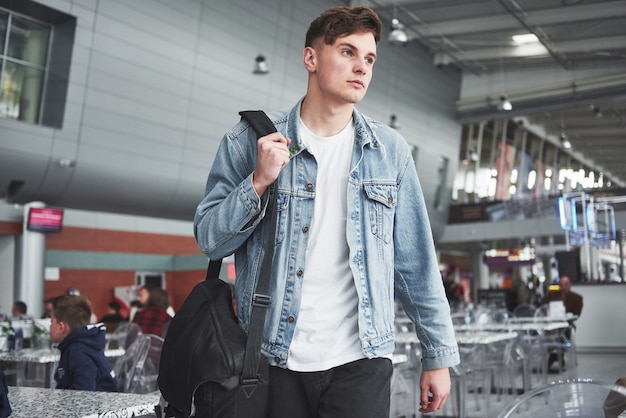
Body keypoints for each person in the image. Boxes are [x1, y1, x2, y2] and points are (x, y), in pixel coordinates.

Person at [193, 6, 459, 417]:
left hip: (362, 361)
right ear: (311, 59)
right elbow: (210, 239)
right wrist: (258, 181)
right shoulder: (250, 140)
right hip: (269, 358)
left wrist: (437, 355)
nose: (362, 68)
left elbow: (416, 264)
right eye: (348, 52)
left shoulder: (389, 153)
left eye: (369, 59)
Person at [49, 295, 118, 391]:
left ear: (61, 327)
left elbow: (84, 393)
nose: (50, 326)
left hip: (97, 405)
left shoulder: (79, 352)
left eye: (51, 322)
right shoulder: (80, 346)